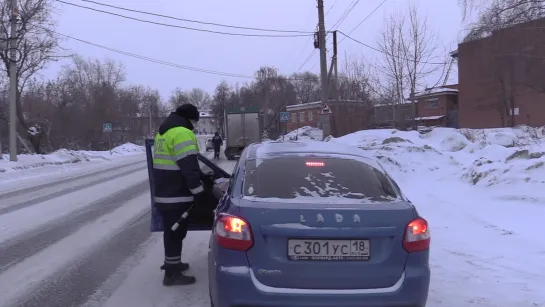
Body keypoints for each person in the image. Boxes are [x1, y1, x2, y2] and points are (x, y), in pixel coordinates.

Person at [152, 103, 206, 286]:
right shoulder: (182, 133)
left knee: (172, 231)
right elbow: (189, 168)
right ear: (190, 119)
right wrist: (199, 192)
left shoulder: (163, 132)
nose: (195, 125)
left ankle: (173, 263)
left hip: (164, 192)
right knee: (175, 232)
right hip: (176, 193)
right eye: (195, 121)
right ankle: (172, 274)